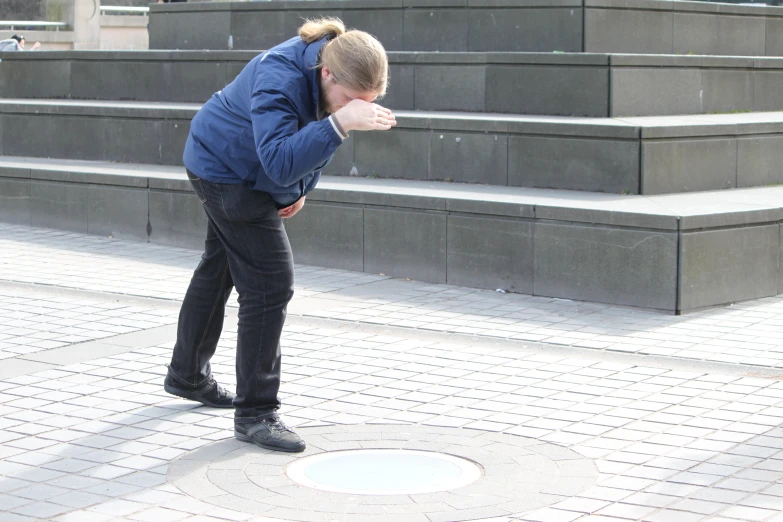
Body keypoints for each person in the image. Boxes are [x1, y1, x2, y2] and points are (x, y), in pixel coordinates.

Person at [163, 17, 395, 453]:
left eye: (364, 103)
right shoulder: (280, 78)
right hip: (224, 169)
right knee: (270, 284)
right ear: (327, 72)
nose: (352, 108)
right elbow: (282, 158)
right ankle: (256, 414)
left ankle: (187, 375)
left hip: (242, 166)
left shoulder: (331, 70)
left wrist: (300, 189)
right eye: (348, 100)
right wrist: (340, 125)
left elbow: (307, 140)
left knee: (220, 269)